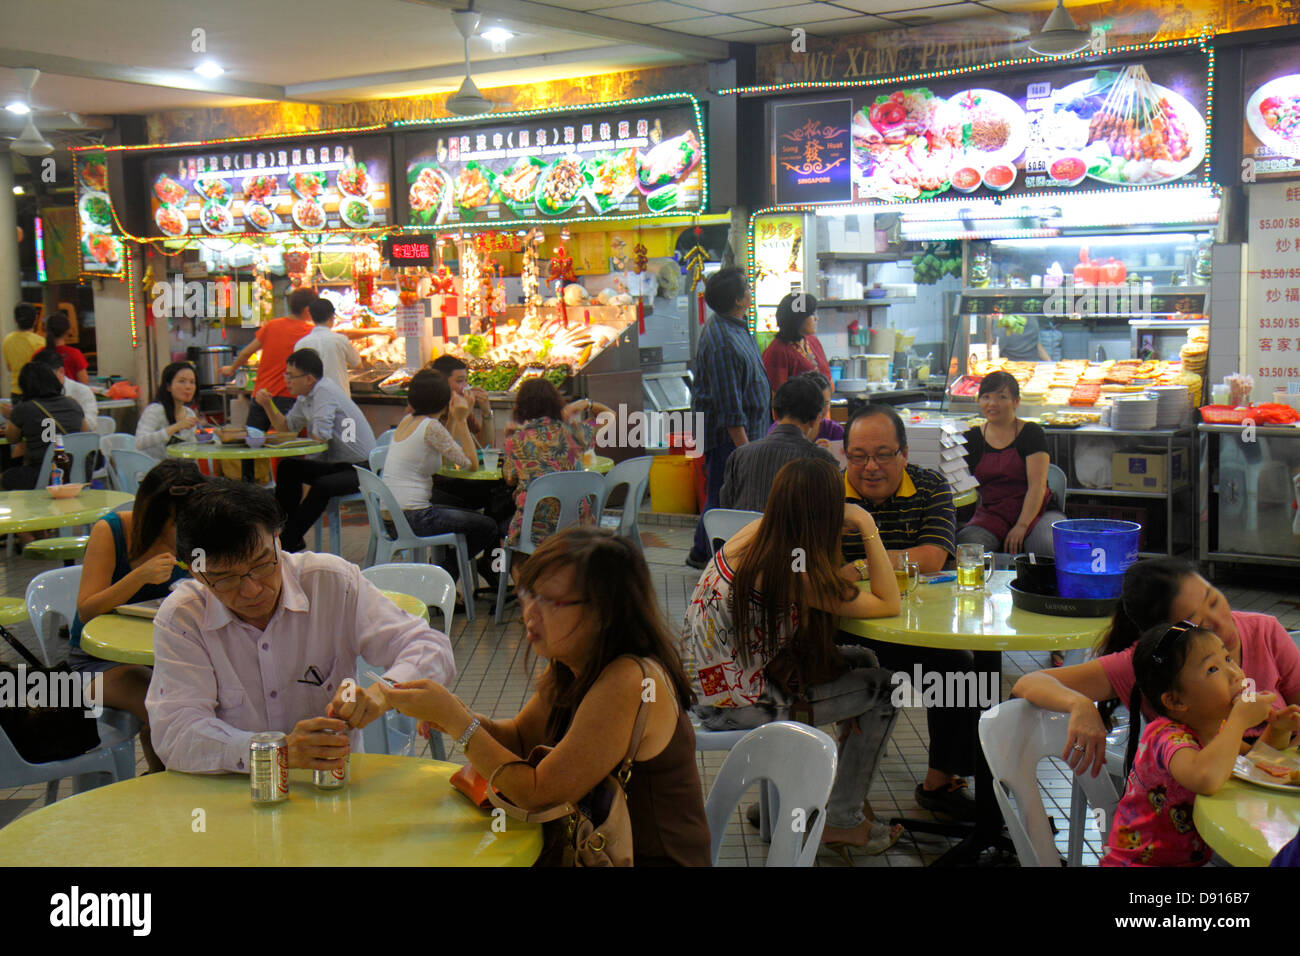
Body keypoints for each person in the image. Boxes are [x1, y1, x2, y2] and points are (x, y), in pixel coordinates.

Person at [378, 527, 712, 866]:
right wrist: (456, 717)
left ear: (604, 613)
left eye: (551, 601)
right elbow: (521, 738)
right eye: (528, 593)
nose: (529, 612)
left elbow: (536, 793)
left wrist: (458, 722)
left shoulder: (629, 681)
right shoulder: (572, 664)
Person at [146, 478, 456, 773]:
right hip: (233, 794)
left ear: (277, 541)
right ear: (197, 574)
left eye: (261, 564)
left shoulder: (330, 582)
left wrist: (385, 692)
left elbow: (430, 648)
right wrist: (274, 752)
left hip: (332, 783)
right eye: (226, 578)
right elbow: (176, 732)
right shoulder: (183, 618)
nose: (252, 589)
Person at [683, 457, 903, 857]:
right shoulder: (790, 568)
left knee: (863, 663)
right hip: (738, 706)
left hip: (713, 688)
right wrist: (868, 526)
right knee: (887, 689)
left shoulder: (758, 533)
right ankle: (840, 818)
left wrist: (842, 575)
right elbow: (890, 603)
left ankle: (806, 799)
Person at [1012, 558, 1300, 778]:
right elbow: (1030, 682)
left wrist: (1280, 730)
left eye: (1213, 600)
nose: (1220, 622)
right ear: (1162, 639)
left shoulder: (1265, 632)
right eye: (1194, 622)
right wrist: (1080, 704)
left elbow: (1254, 758)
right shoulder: (1150, 663)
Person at [837, 404, 979, 818]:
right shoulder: (827, 492)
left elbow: (933, 556)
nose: (871, 467)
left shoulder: (930, 485)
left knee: (962, 669)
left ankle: (942, 781)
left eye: (883, 454)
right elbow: (822, 570)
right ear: (844, 454)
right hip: (844, 626)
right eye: (859, 455)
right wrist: (897, 561)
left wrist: (864, 564)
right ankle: (833, 794)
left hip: (914, 625)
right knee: (868, 670)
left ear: (903, 454)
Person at [1100, 622, 1295, 866]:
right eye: (1213, 669)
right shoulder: (1166, 737)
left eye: (1228, 658)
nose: (1235, 673)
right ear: (1175, 700)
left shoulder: (1217, 730)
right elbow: (1206, 779)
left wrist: (1277, 729)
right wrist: (1240, 719)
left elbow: (1252, 761)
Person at [69, 459, 206, 772]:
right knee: (161, 698)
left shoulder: (196, 534)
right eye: (175, 523)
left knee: (206, 695)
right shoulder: (113, 530)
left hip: (166, 653)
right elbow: (86, 609)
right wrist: (138, 577)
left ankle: (173, 781)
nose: (183, 531)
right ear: (152, 514)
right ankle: (171, 791)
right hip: (97, 661)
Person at [381, 369, 498, 591]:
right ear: (444, 399)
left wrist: (455, 418)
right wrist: (462, 421)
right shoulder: (431, 427)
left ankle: (440, 576)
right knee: (487, 526)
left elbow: (446, 451)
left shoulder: (409, 420)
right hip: (416, 518)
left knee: (463, 514)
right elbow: (470, 464)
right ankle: (439, 578)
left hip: (393, 517)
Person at [686, 267, 770, 570]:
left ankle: (701, 550)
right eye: (747, 288)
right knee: (723, 494)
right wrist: (745, 449)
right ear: (737, 299)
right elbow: (729, 404)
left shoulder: (735, 326)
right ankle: (711, 557)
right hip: (727, 439)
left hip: (745, 434)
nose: (751, 291)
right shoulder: (722, 340)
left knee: (720, 493)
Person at [255, 348, 375, 553]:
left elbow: (321, 439)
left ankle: (289, 540)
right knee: (288, 467)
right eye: (286, 375)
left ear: (309, 378)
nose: (287, 381)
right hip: (338, 465)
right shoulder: (306, 396)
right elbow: (287, 427)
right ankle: (282, 529)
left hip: (361, 468)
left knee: (321, 485)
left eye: (291, 376)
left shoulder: (324, 392)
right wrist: (268, 405)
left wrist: (303, 451)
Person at [958, 371, 1066, 555]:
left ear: (1016, 401)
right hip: (993, 514)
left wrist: (1022, 525)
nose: (992, 404)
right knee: (966, 547)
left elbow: (1037, 487)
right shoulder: (973, 438)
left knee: (1043, 546)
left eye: (1001, 397)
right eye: (986, 397)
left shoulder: (1031, 433)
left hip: (1038, 511)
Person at [503, 378, 609, 550]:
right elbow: (610, 416)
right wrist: (586, 404)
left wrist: (507, 437)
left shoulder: (516, 440)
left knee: (507, 534)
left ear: (521, 407)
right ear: (556, 403)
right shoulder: (576, 431)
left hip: (536, 528)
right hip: (579, 523)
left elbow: (509, 478)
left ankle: (525, 574)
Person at [719, 374, 837, 513]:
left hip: (744, 533)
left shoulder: (739, 455)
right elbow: (831, 513)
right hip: (797, 535)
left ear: (774, 413)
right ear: (816, 419)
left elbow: (726, 507)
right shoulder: (822, 460)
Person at [219, 287, 317, 434]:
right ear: (308, 310)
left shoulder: (272, 325)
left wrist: (232, 369)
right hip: (288, 397)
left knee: (252, 441)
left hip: (261, 393)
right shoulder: (310, 331)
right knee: (287, 444)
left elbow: (246, 352)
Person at [1, 361, 93, 490]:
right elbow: (84, 432)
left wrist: (10, 416)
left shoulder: (23, 409)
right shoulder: (73, 403)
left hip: (45, 475)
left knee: (7, 477)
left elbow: (12, 438)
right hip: (81, 473)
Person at [0, 347, 97, 429]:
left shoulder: (82, 391)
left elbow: (91, 425)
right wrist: (15, 416)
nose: (43, 379)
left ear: (61, 372)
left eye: (47, 375)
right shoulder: (36, 392)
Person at [760, 291, 831, 393]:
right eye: (811, 314)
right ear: (798, 318)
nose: (816, 318)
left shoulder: (813, 341)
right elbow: (777, 395)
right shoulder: (778, 350)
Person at [135, 362, 205, 462]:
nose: (188, 387)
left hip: (181, 471)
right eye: (182, 381)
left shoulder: (189, 413)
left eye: (192, 382)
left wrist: (208, 435)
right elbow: (140, 442)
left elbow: (191, 451)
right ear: (168, 386)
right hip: (154, 472)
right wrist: (175, 427)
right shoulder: (155, 410)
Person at [296, 298, 361, 393]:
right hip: (339, 398)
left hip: (313, 400)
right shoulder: (340, 340)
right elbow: (357, 364)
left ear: (311, 317)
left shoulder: (300, 344)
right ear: (332, 317)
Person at [430, 354, 493, 446]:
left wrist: (486, 413)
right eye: (459, 381)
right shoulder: (432, 414)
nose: (465, 387)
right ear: (442, 383)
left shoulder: (460, 408)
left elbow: (483, 447)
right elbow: (451, 451)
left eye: (466, 381)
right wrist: (462, 417)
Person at [767, 371, 844, 446]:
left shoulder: (835, 431)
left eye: (826, 403)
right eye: (815, 404)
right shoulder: (779, 429)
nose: (820, 410)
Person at [4, 303, 46, 400]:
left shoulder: (7, 340)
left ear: (15, 320)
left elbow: (9, 367)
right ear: (35, 319)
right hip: (36, 392)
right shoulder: (41, 342)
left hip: (16, 392)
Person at [44, 311, 90, 385]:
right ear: (68, 331)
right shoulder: (74, 354)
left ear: (46, 330)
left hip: (44, 396)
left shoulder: (38, 354)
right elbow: (84, 383)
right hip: (71, 396)